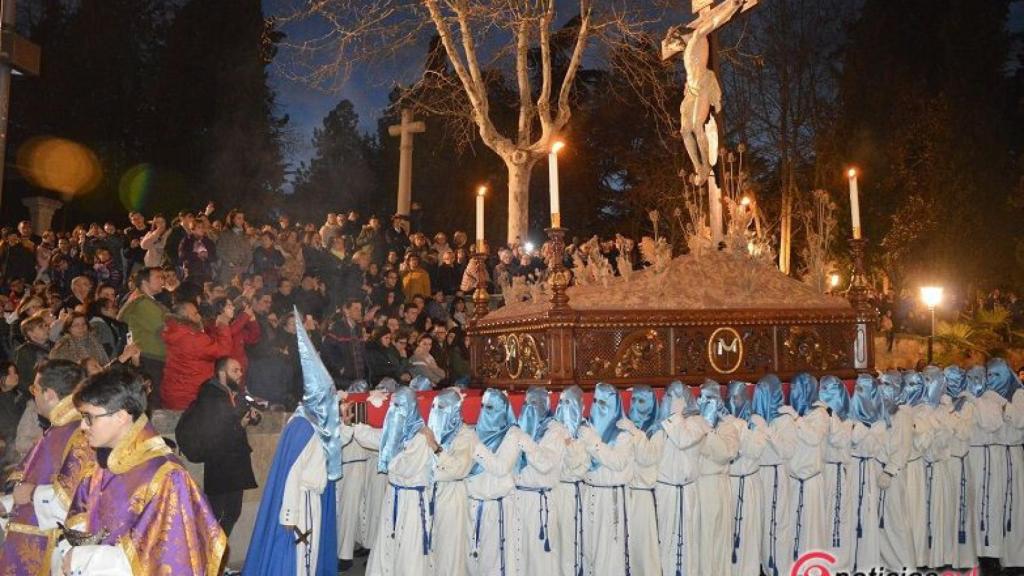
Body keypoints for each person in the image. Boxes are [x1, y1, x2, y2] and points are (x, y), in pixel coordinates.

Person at [56, 367, 226, 574]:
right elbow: (81, 519)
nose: (83, 425)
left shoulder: (166, 475)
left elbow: (167, 560)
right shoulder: (101, 462)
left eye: (89, 417)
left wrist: (88, 558)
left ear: (120, 416)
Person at [244, 309, 341, 575]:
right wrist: (289, 514)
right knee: (302, 558)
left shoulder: (314, 423)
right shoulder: (304, 427)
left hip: (312, 499)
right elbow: (291, 474)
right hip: (302, 502)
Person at [0, 360, 92, 574]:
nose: (34, 394)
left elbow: (80, 499)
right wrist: (7, 502)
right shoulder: (60, 426)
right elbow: (33, 476)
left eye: (35, 388)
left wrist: (33, 494)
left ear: (49, 394)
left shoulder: (81, 434)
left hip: (58, 547)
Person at [360, 387, 435, 576]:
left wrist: (388, 450)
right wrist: (351, 425)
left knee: (409, 548)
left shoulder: (421, 436)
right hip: (393, 497)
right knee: (387, 543)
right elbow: (370, 438)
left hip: (412, 500)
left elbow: (405, 468)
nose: (395, 410)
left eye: (400, 406)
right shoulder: (392, 431)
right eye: (393, 405)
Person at [182, 357, 258, 541]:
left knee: (232, 513)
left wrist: (252, 417)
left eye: (240, 370)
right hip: (221, 465)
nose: (240, 374)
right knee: (218, 515)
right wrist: (240, 425)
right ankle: (211, 561)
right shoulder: (211, 396)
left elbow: (240, 417)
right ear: (222, 373)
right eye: (235, 370)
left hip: (233, 464)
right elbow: (217, 432)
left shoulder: (231, 393)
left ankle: (217, 560)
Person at [466, 388, 525, 576]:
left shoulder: (513, 434)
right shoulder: (475, 430)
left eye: (490, 407)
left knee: (496, 564)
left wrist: (475, 446)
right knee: (471, 562)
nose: (485, 411)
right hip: (473, 505)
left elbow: (501, 468)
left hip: (497, 507)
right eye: (482, 406)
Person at [579, 382, 635, 576]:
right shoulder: (586, 427)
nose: (597, 406)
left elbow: (617, 462)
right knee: (589, 551)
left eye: (603, 402)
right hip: (590, 494)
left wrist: (593, 442)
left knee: (609, 556)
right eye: (595, 401)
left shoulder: (623, 432)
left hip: (611, 499)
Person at [514, 386, 565, 575]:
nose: (530, 408)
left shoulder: (555, 431)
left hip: (540, 502)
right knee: (520, 555)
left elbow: (545, 464)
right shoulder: (520, 426)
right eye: (527, 403)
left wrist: (527, 441)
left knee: (540, 560)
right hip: (519, 498)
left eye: (535, 403)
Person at [428, 388, 476, 576]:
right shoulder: (433, 429)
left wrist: (436, 449)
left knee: (450, 552)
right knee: (432, 548)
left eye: (442, 408)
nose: (437, 412)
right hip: (432, 494)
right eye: (435, 407)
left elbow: (459, 468)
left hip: (452, 496)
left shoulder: (466, 435)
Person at [695, 382, 740, 576]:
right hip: (701, 485)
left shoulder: (727, 424)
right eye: (703, 399)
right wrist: (703, 424)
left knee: (721, 535)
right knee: (703, 536)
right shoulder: (694, 422)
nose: (707, 403)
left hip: (720, 484)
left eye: (711, 399)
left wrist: (710, 431)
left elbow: (726, 452)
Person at [751, 374, 793, 576]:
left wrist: (767, 430)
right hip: (757, 476)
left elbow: (786, 451)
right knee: (756, 526)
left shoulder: (784, 419)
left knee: (776, 526)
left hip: (775, 475)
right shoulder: (753, 417)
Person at [724, 381, 767, 576]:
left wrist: (742, 430)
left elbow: (756, 450)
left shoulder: (755, 423)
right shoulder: (721, 421)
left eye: (739, 397)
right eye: (731, 397)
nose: (735, 401)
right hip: (729, 484)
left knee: (749, 533)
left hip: (748, 484)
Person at [619, 385, 663, 576]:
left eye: (642, 401)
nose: (636, 406)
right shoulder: (625, 426)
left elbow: (648, 457)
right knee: (627, 548)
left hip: (644, 497)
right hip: (626, 494)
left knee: (646, 551)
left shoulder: (658, 430)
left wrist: (636, 433)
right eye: (634, 400)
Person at [160, 300, 233, 410]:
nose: (199, 316)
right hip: (189, 396)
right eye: (195, 314)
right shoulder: (191, 338)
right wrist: (223, 325)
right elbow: (223, 350)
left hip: (175, 391)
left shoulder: (176, 331)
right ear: (185, 317)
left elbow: (207, 344)